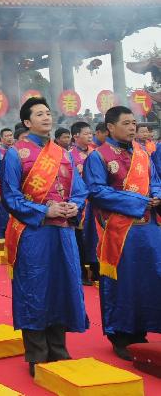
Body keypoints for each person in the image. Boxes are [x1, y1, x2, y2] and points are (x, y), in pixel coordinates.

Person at [0, 97, 88, 376]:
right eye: (39, 114)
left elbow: (80, 189)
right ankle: (37, 354)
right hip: (33, 232)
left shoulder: (64, 153)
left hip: (62, 231)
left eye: (48, 113)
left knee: (62, 286)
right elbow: (10, 197)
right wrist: (44, 210)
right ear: (27, 122)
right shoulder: (16, 154)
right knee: (35, 289)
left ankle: (59, 350)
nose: (47, 117)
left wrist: (75, 204)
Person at [83, 106, 161, 360]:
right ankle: (121, 335)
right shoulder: (99, 156)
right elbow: (96, 191)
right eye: (126, 123)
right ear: (110, 128)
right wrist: (138, 201)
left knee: (150, 278)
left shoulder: (142, 154)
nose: (132, 127)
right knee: (123, 282)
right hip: (119, 232)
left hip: (148, 229)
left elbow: (155, 181)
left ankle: (143, 330)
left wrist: (157, 195)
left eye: (133, 123)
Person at [70, 121, 99, 285]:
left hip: (96, 203)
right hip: (80, 203)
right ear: (76, 136)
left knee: (97, 237)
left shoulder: (96, 153)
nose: (90, 135)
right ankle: (81, 272)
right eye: (86, 133)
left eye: (91, 133)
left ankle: (96, 271)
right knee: (80, 239)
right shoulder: (68, 155)